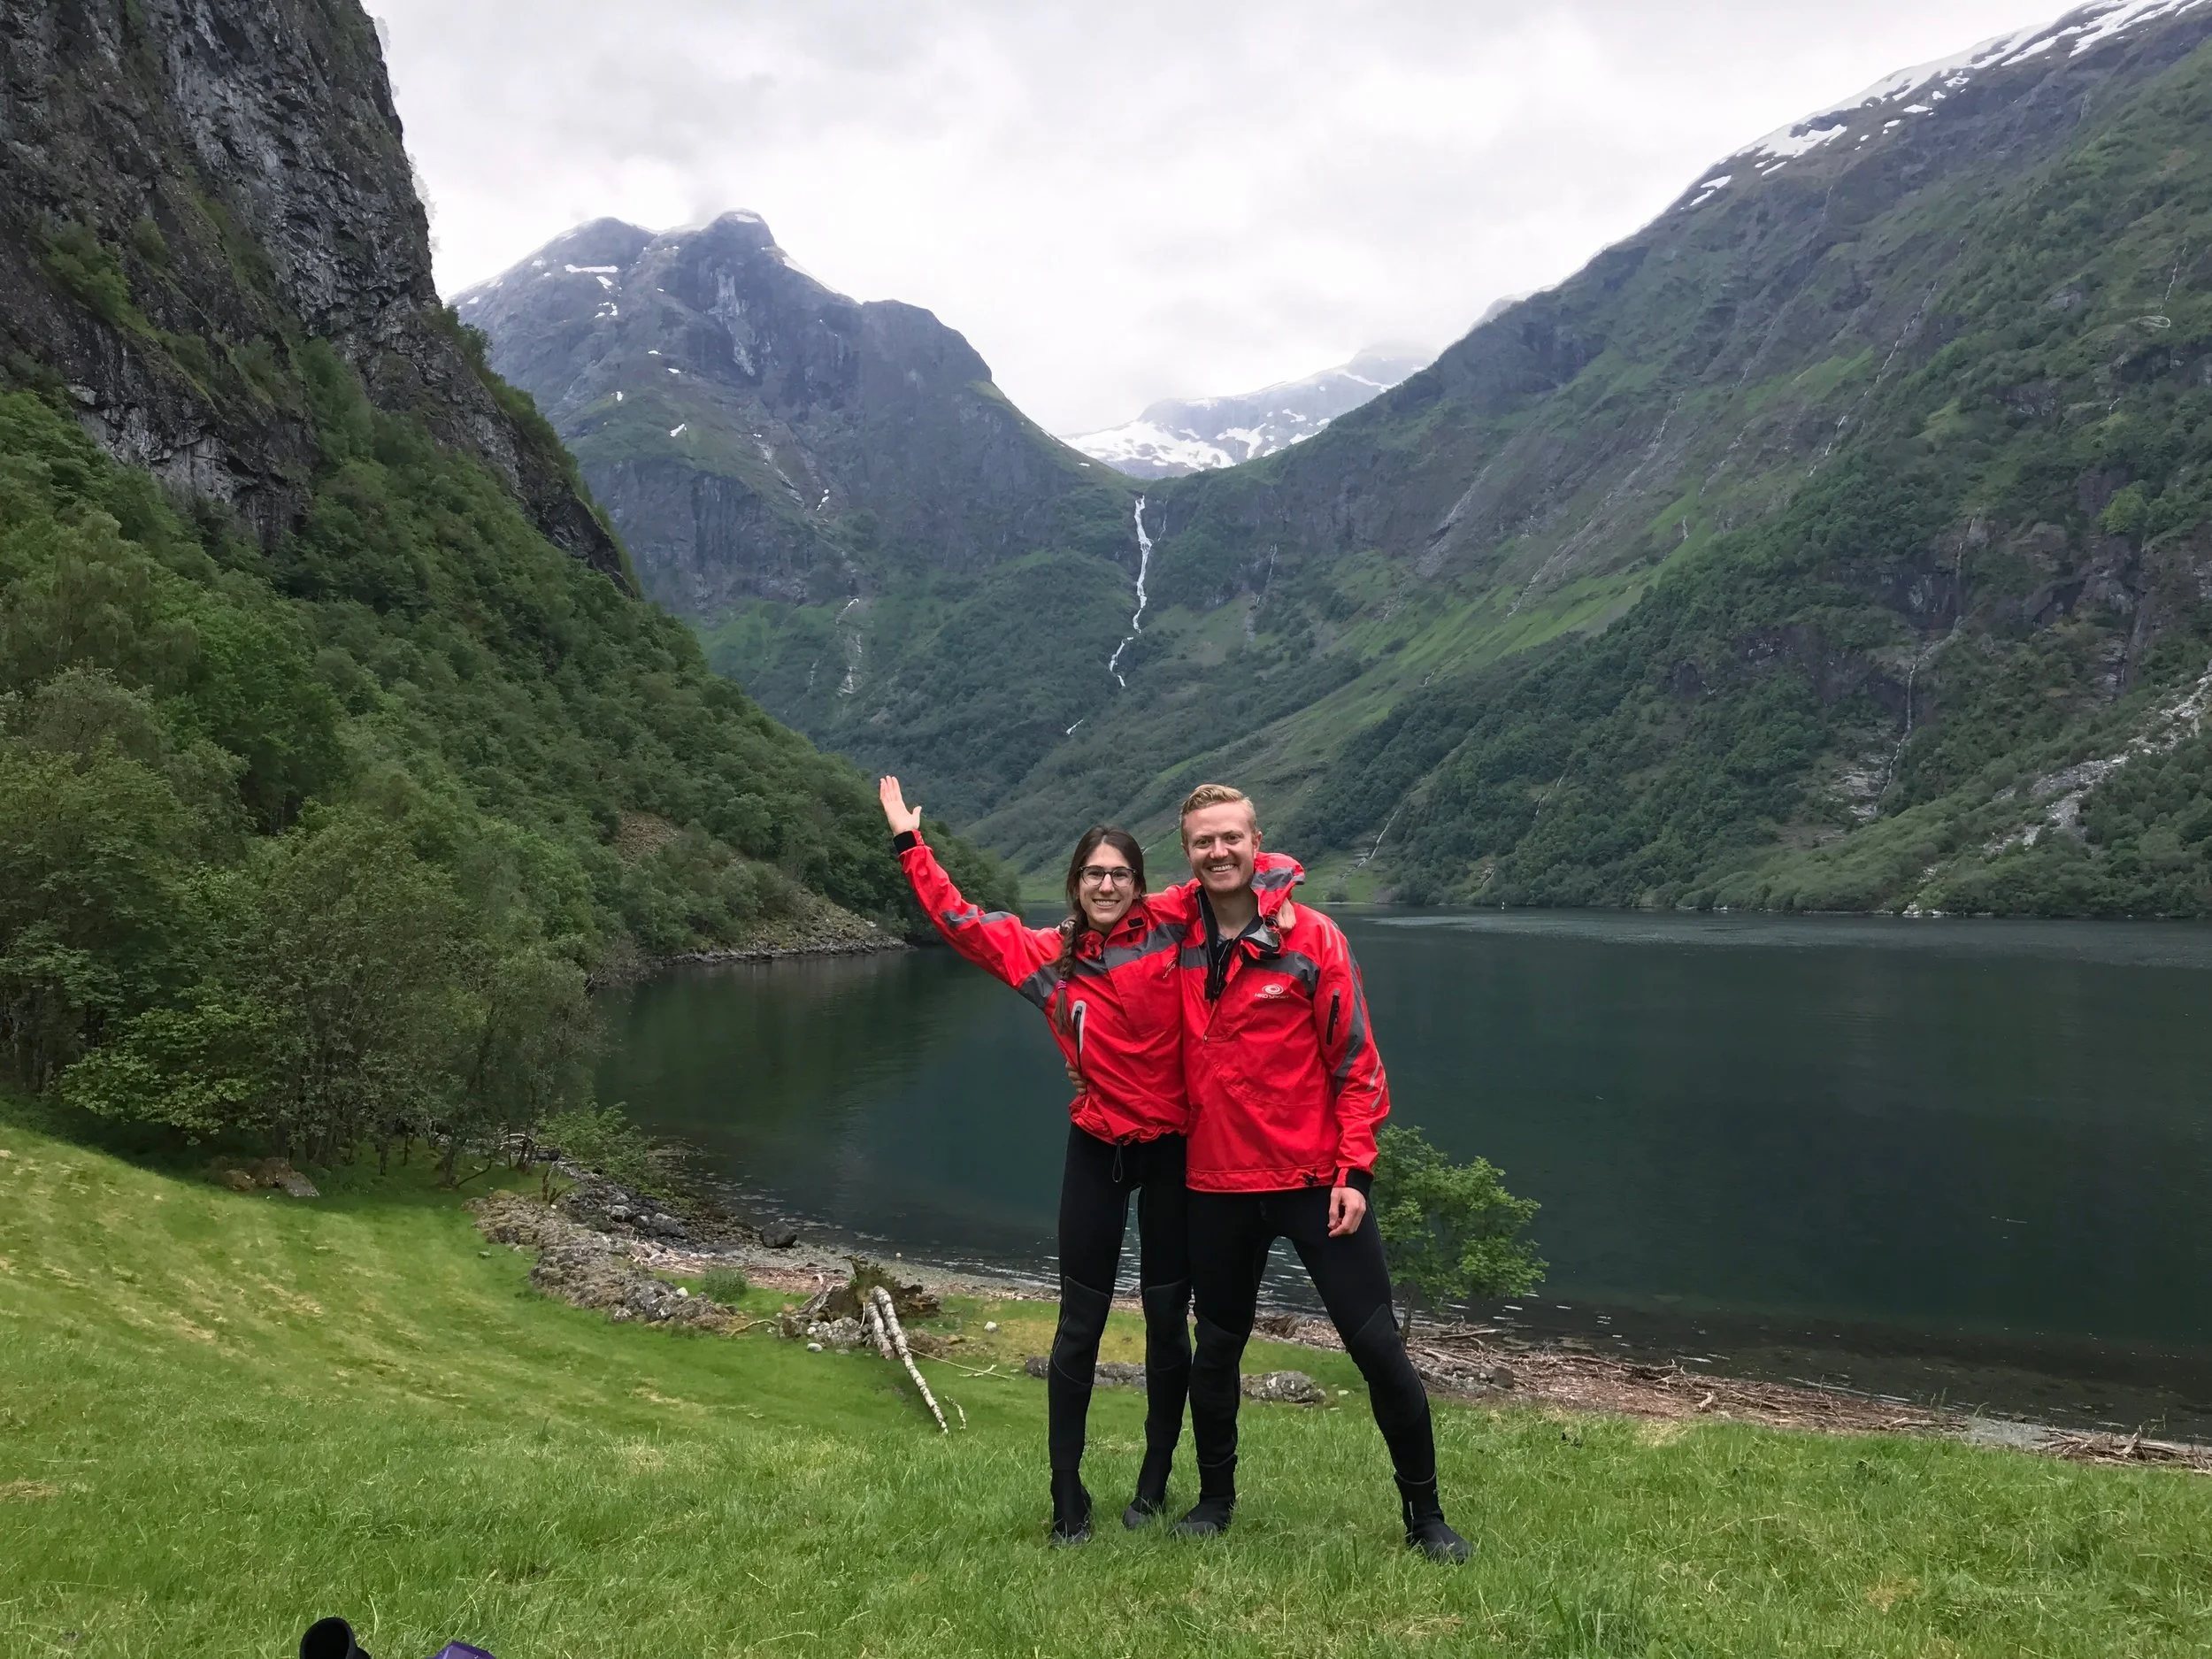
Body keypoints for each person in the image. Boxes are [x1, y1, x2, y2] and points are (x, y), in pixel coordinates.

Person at [877, 776, 1289, 1545]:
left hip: (1172, 1153)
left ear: (1139, 884)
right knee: (1079, 1327)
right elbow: (961, 921)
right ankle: (1068, 1494)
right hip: (1096, 1148)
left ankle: (1155, 1482)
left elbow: (1254, 870)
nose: (1106, 884)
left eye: (1120, 874)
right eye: (1093, 873)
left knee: (1170, 1323)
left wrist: (1245, 850)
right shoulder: (1047, 958)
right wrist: (910, 842)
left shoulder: (1174, 922)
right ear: (1075, 884)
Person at [1167, 781, 1471, 1563]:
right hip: (1216, 1185)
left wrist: (1356, 1171)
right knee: (1217, 1350)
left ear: (1255, 839)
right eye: (1203, 841)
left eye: (1230, 836)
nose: (1218, 851)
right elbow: (1100, 967)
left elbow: (1358, 1063)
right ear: (1188, 852)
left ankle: (1426, 1516)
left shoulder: (1314, 939)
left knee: (1377, 1349)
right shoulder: (1171, 935)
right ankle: (1214, 1500)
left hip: (1313, 1184)